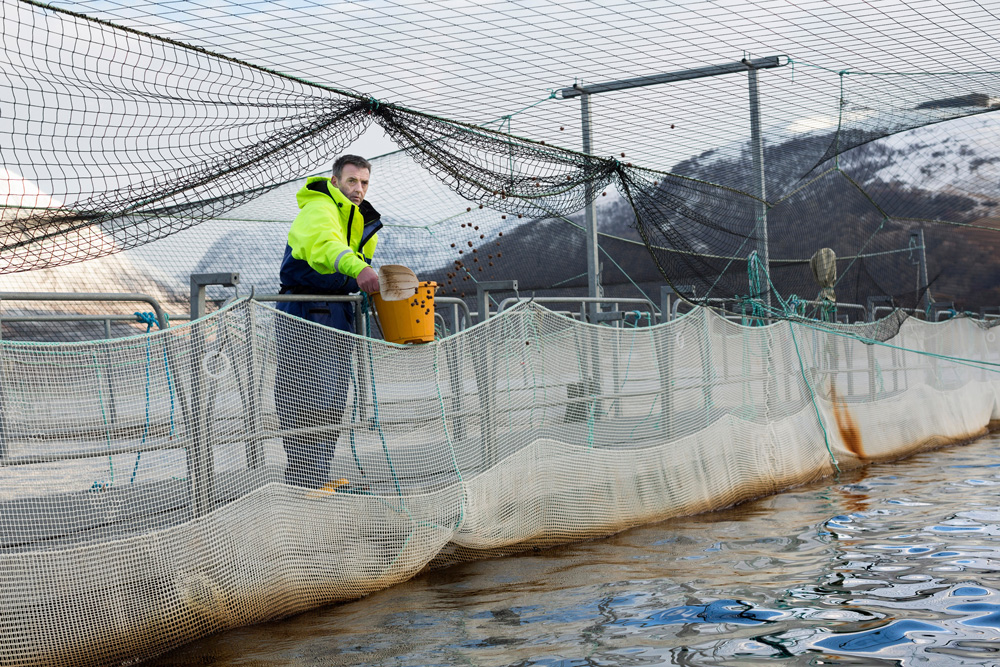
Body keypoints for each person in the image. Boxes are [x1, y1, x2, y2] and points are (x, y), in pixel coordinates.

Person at [274, 155, 381, 488]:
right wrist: (358, 270)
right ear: (335, 181)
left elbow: (354, 261)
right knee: (303, 394)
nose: (358, 189)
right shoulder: (319, 208)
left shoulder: (363, 221)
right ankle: (303, 477)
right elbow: (325, 247)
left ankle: (316, 475)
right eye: (352, 181)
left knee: (332, 396)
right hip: (306, 308)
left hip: (336, 311)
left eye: (364, 182)